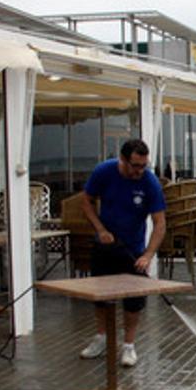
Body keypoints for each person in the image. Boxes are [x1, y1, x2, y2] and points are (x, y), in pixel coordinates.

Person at [78, 139, 167, 366]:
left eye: (143, 166)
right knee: (101, 297)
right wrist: (100, 229)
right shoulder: (104, 172)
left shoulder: (149, 182)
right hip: (105, 245)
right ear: (123, 160)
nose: (139, 171)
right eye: (135, 166)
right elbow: (86, 201)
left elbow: (159, 223)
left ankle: (129, 346)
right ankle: (101, 338)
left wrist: (147, 255)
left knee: (133, 302)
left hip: (133, 249)